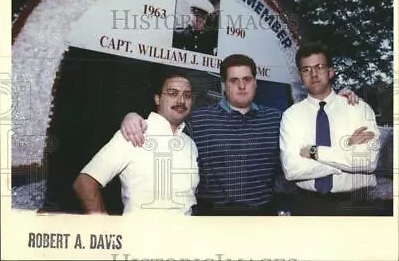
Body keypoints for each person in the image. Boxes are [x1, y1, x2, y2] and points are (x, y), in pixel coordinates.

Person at [120, 54, 359, 216]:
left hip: (262, 216)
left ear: (256, 83)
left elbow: (310, 143)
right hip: (210, 218)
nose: (241, 86)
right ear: (224, 85)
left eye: (247, 79)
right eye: (234, 80)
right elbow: (165, 123)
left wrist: (335, 100)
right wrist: (132, 116)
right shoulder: (198, 119)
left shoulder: (278, 119)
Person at [73, 71, 199, 215]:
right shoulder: (134, 133)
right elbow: (84, 183)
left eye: (187, 96)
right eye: (172, 93)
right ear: (157, 98)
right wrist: (104, 229)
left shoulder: (189, 144)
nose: (181, 101)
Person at [279, 42, 380, 216]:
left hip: (356, 204)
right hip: (308, 204)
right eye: (306, 69)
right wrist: (346, 150)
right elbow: (291, 170)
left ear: (331, 71)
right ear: (300, 76)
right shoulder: (291, 116)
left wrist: (314, 152)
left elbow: (367, 161)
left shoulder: (358, 109)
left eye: (319, 67)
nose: (314, 74)